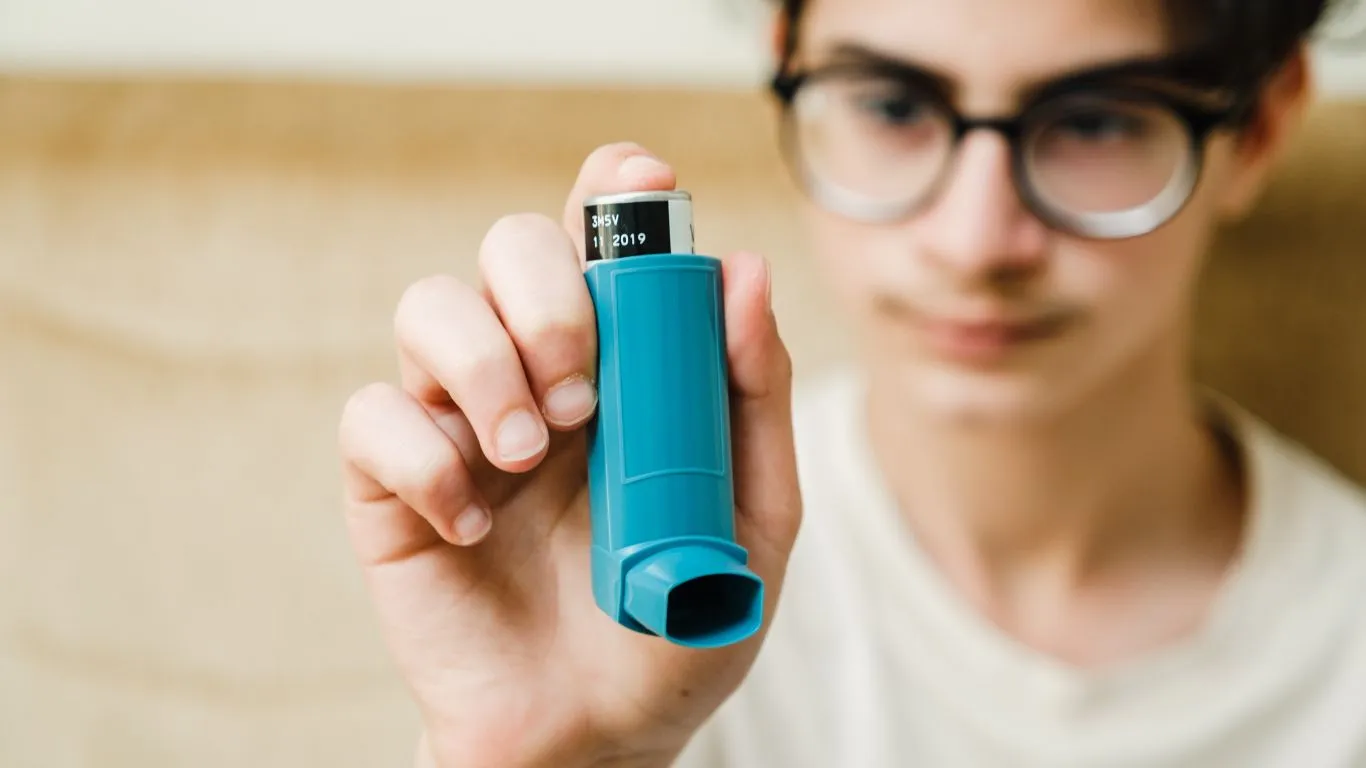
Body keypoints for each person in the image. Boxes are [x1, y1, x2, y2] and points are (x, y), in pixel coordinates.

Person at [335, 0, 1366, 765]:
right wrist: (545, 758)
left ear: (1260, 130)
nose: (975, 242)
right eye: (890, 104)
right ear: (783, 61)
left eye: (1094, 121)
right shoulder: (622, 600)